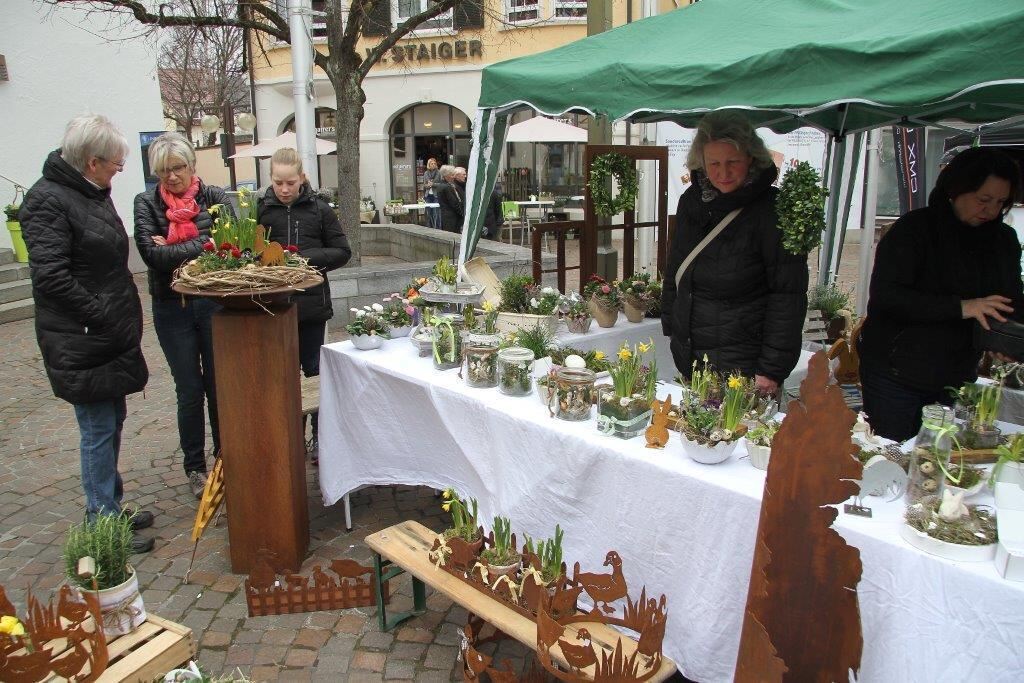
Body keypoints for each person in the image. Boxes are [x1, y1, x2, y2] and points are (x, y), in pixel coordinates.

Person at [20, 115, 153, 552]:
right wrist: (102, 315)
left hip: (105, 332)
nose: (118, 171)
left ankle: (110, 506)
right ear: (92, 161)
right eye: (115, 164)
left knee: (111, 422)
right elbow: (51, 278)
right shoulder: (47, 201)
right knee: (97, 428)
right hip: (83, 336)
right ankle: (102, 522)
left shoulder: (89, 194)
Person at [858, 147, 1023, 441]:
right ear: (956, 189)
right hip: (896, 373)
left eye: (1001, 202)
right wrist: (962, 307)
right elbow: (887, 297)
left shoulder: (1004, 241)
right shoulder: (914, 230)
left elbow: (1008, 300)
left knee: (935, 459)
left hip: (955, 373)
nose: (991, 210)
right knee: (889, 457)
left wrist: (1004, 337)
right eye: (983, 200)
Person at [661, 110, 808, 394]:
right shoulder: (692, 201)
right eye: (713, 163)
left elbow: (787, 295)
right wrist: (672, 325)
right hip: (694, 354)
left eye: (733, 162)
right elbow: (677, 266)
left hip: (746, 363)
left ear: (751, 159)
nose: (723, 173)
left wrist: (771, 369)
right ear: (700, 162)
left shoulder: (773, 209)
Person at [134, 132, 229, 499]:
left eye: (178, 168)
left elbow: (226, 245)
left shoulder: (214, 197)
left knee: (218, 385)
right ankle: (195, 467)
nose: (172, 177)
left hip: (211, 302)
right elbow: (152, 257)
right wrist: (201, 242)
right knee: (189, 388)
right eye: (163, 171)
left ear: (192, 166)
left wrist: (174, 244)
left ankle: (226, 457)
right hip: (171, 306)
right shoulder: (146, 203)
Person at [257, 148, 352, 457]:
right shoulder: (261, 209)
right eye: (278, 182)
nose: (284, 189)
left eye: (291, 183)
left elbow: (342, 251)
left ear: (302, 179)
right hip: (272, 306)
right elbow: (249, 250)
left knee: (314, 371)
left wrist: (302, 259)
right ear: (270, 179)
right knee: (280, 374)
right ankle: (288, 437)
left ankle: (320, 439)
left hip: (310, 306)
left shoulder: (319, 209)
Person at [437, 164, 465, 232]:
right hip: (452, 218)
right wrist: (462, 214)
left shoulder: (440, 185)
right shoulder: (447, 187)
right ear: (446, 176)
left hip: (445, 217)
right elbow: (454, 203)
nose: (453, 177)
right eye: (452, 175)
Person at [422, 157, 442, 229]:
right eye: (431, 163)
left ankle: (437, 228)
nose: (433, 165)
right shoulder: (426, 173)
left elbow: (441, 184)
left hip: (436, 195)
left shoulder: (439, 172)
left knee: (436, 213)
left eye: (434, 163)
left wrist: (432, 184)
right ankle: (429, 228)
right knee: (428, 213)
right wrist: (428, 185)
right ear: (429, 165)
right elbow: (424, 185)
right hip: (428, 195)